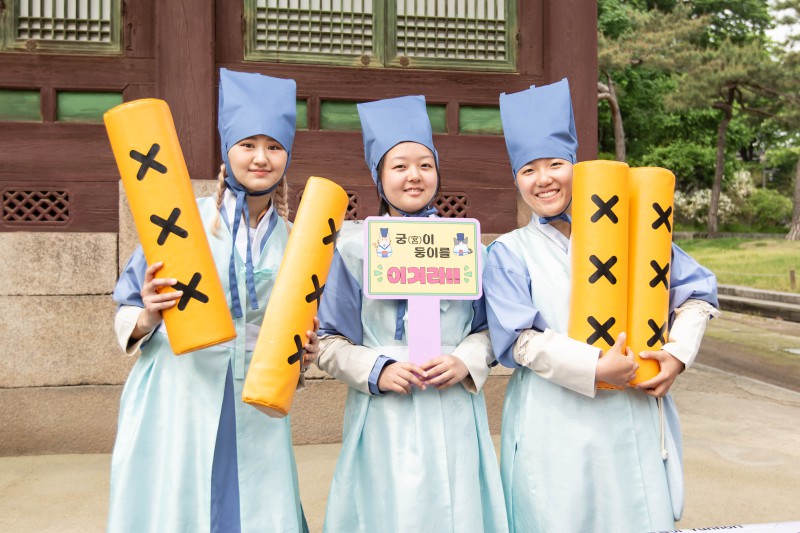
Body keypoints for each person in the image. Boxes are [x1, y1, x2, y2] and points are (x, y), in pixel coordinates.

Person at [483, 78, 720, 533]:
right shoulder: (510, 251)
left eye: (555, 164)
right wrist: (594, 366)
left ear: (577, 165)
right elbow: (519, 342)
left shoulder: (634, 231)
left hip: (630, 406)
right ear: (515, 179)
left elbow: (696, 294)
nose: (544, 179)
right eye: (528, 170)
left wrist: (676, 355)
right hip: (553, 416)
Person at [107, 68, 317, 533]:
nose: (261, 158)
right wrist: (146, 314)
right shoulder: (179, 220)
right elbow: (126, 310)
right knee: (180, 503)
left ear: (287, 155)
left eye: (274, 147)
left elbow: (297, 323)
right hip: (178, 388)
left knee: (258, 506)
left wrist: (303, 353)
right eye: (248, 145)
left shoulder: (298, 240)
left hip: (252, 394)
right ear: (227, 151)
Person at [316, 95, 508, 532]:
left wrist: (465, 360)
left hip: (452, 402)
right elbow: (327, 339)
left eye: (425, 164)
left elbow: (491, 329)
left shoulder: (469, 248)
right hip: (384, 407)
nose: (414, 176)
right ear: (379, 177)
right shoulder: (350, 249)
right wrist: (375, 369)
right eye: (399, 166)